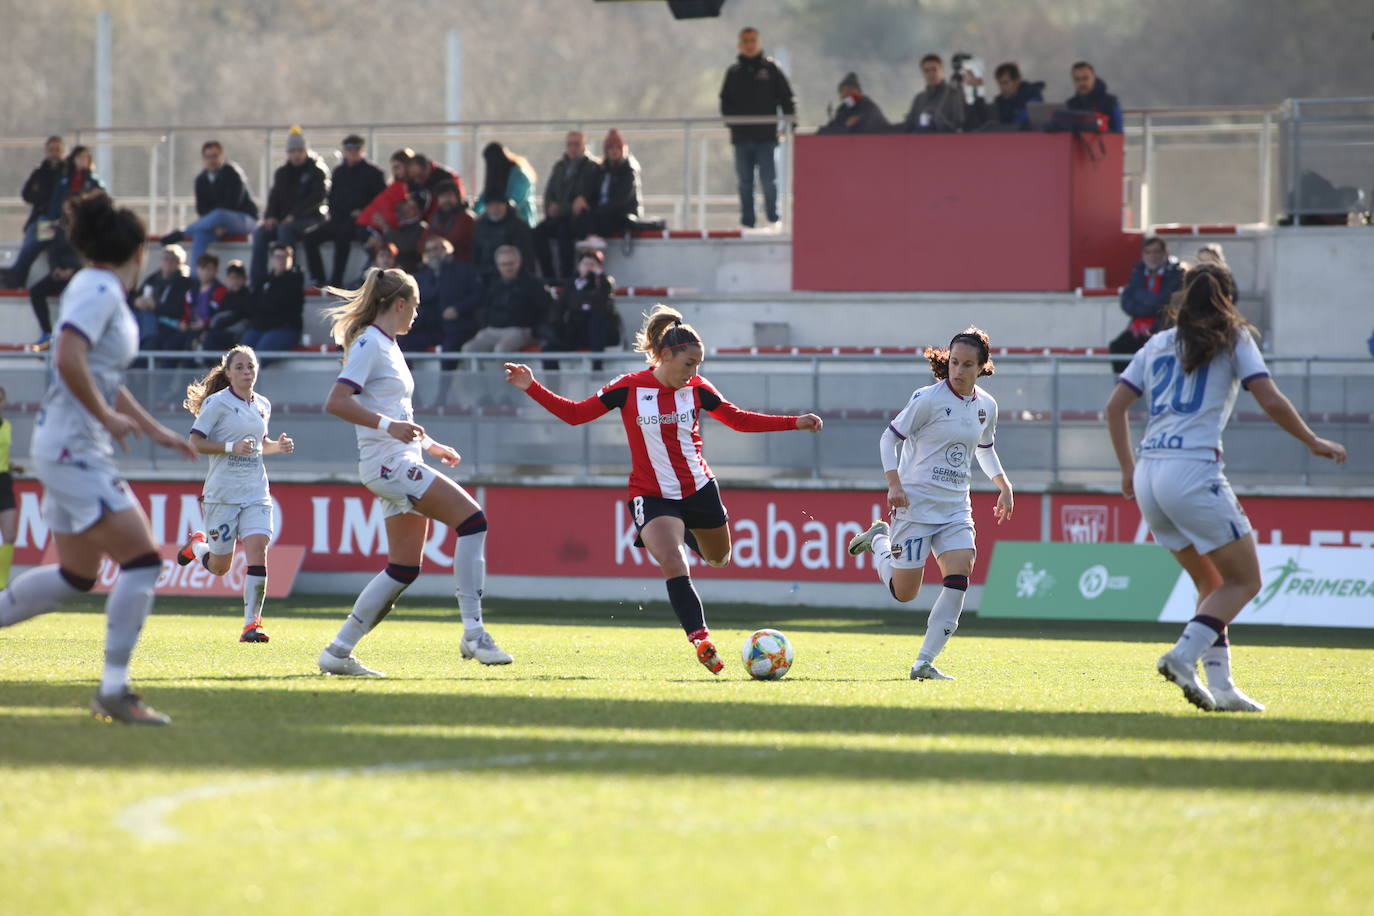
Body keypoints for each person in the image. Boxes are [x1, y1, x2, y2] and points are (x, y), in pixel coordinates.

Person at [504, 304, 823, 674]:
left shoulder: (699, 389)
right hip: (651, 494)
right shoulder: (627, 387)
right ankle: (701, 640)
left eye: (699, 364)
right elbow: (576, 415)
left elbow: (737, 419)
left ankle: (683, 531)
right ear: (666, 355)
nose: (694, 372)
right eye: (689, 363)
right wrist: (532, 387)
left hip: (699, 489)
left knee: (719, 558)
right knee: (673, 561)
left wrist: (793, 422)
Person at [1105, 263, 1347, 712]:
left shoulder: (1157, 342)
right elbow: (1269, 398)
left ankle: (1221, 687)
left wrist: (1126, 469)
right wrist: (1312, 440)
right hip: (1192, 472)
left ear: (1183, 297)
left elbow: (1114, 407)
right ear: (1229, 300)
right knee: (1246, 579)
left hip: (1149, 476)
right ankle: (1182, 655)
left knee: (1212, 583)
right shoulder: (1233, 338)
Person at [0, 190, 198, 725]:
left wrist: (155, 430)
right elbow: (67, 354)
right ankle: (114, 689)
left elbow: (101, 377)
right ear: (136, 253)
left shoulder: (98, 288)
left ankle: (113, 688)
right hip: (74, 448)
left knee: (75, 575)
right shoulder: (100, 287)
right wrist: (107, 420)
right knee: (143, 561)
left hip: (68, 446)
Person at [316, 268, 513, 676]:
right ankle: (474, 634)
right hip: (390, 464)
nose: (417, 316)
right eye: (416, 306)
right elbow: (336, 402)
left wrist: (430, 445)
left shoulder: (385, 344)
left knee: (404, 567)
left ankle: (338, 651)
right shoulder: (372, 342)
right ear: (400, 304)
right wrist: (392, 431)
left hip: (399, 459)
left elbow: (396, 413)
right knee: (473, 522)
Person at [846, 328, 1014, 681]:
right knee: (905, 593)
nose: (958, 370)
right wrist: (894, 484)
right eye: (954, 362)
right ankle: (879, 539)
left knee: (961, 572)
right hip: (915, 504)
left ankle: (924, 662)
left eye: (968, 364)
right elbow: (887, 439)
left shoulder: (987, 406)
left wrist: (1003, 484)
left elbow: (984, 449)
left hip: (955, 507)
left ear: (982, 366)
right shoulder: (927, 399)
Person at [175, 345, 295, 642]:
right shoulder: (217, 404)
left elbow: (259, 443)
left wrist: (277, 447)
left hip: (255, 491)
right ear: (228, 373)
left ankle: (251, 624)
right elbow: (194, 443)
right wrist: (230, 447)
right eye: (239, 367)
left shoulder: (263, 404)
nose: (246, 372)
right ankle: (197, 546)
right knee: (220, 567)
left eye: (250, 367)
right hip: (222, 495)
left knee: (258, 550)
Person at [719, 27, 795, 228]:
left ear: (759, 42)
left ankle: (773, 217)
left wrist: (789, 124)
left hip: (766, 137)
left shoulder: (771, 70)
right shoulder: (734, 72)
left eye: (752, 40)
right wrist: (732, 123)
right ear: (739, 44)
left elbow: (787, 98)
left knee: (769, 180)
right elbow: (725, 101)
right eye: (745, 40)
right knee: (745, 182)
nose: (749, 44)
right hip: (742, 137)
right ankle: (748, 221)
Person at [303, 134, 388, 289]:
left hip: (360, 222)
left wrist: (362, 212)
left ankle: (336, 281)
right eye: (348, 149)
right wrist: (336, 215)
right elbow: (332, 199)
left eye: (355, 148)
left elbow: (380, 201)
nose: (351, 152)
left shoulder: (374, 173)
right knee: (310, 238)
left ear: (362, 151)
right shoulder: (339, 172)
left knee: (343, 237)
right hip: (338, 219)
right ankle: (318, 278)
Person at [249, 127, 330, 286]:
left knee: (284, 230)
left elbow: (317, 198)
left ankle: (287, 276)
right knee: (261, 233)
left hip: (311, 219)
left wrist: (294, 215)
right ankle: (257, 281)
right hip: (285, 219)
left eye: (300, 150)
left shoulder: (317, 171)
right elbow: (274, 197)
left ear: (306, 150)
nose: (296, 154)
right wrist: (270, 216)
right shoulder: (282, 173)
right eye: (293, 151)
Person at [159, 141, 259, 265]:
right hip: (216, 226)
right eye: (208, 157)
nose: (212, 160)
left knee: (220, 214)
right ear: (203, 159)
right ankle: (196, 279)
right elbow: (202, 210)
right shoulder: (201, 180)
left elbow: (232, 204)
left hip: (243, 220)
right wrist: (214, 225)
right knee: (200, 235)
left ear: (222, 156)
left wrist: (222, 224)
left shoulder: (232, 173)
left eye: (215, 156)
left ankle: (183, 232)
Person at [1111, 237, 1184, 373]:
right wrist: (1149, 305)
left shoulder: (1176, 274)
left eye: (1156, 252)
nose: (1152, 256)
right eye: (1148, 252)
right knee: (1118, 346)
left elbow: (1164, 301)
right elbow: (1126, 302)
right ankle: (1124, 388)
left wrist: (1141, 297)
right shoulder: (1137, 273)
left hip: (1162, 327)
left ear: (1165, 253)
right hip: (1137, 328)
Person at [533, 131, 600, 280]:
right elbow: (549, 194)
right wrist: (551, 208)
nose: (573, 148)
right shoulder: (560, 167)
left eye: (576, 144)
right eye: (570, 144)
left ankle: (566, 278)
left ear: (584, 145)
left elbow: (583, 199)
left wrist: (561, 208)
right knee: (537, 233)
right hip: (558, 217)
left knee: (564, 234)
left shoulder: (591, 168)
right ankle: (548, 275)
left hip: (576, 220)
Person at [4, 135, 65, 289]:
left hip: (56, 221)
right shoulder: (40, 172)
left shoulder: (65, 173)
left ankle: (17, 275)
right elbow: (27, 194)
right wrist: (42, 197)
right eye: (51, 150)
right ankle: (17, 276)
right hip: (40, 218)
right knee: (31, 240)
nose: (54, 153)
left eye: (57, 149)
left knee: (36, 242)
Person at [462, 246, 548, 353]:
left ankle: (502, 371)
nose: (508, 268)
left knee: (501, 349)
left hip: (520, 329)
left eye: (511, 263)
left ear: (519, 262)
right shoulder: (493, 285)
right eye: (504, 264)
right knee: (468, 349)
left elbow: (546, 310)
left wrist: (536, 332)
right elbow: (484, 307)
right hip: (493, 329)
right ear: (498, 266)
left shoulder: (533, 284)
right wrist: (485, 324)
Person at [404, 236, 482, 353]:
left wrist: (458, 309)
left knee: (449, 348)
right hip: (430, 327)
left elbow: (478, 295)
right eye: (429, 250)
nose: (432, 254)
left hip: (458, 326)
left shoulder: (464, 270)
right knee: (404, 340)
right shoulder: (423, 275)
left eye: (436, 249)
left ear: (447, 250)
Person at [547, 248, 619, 355]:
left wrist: (597, 278)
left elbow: (602, 303)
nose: (589, 267)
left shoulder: (604, 283)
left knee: (596, 319)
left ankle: (597, 366)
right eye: (585, 264)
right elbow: (560, 306)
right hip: (575, 331)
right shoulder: (571, 284)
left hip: (598, 333)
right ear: (579, 266)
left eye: (592, 264)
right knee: (549, 349)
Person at [574, 129, 643, 241]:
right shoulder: (600, 169)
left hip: (620, 214)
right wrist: (583, 198)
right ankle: (590, 250)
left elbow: (620, 200)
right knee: (579, 219)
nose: (614, 151)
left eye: (617, 148)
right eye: (611, 148)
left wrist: (598, 210)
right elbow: (591, 189)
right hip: (601, 213)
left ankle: (592, 252)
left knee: (598, 220)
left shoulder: (628, 171)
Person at [242, 243, 305, 353]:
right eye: (278, 257)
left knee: (257, 358)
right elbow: (252, 303)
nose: (282, 260)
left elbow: (281, 305)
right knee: (239, 355)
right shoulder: (264, 281)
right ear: (271, 259)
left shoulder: (294, 281)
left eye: (286, 257)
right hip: (261, 326)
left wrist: (264, 306)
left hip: (285, 328)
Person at [131, 244, 194, 351]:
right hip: (146, 322)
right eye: (166, 259)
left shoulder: (185, 283)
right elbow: (135, 297)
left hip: (169, 325)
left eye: (173, 259)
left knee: (151, 336)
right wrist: (136, 302)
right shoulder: (152, 279)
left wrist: (156, 307)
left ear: (180, 263)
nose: (168, 262)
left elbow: (180, 310)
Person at [26, 232, 81, 348]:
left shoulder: (86, 227)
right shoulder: (59, 228)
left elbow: (87, 256)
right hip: (59, 274)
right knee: (36, 291)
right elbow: (53, 252)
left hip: (79, 275)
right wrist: (55, 269)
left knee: (72, 295)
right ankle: (47, 333)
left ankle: (72, 336)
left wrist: (73, 270)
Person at [471, 197, 534, 286]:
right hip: (486, 279)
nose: (495, 209)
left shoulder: (519, 227)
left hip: (518, 280)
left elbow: (528, 257)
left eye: (498, 205)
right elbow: (475, 256)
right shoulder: (479, 227)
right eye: (491, 205)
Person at [474, 143, 538, 227]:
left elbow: (515, 203)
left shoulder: (519, 175)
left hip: (522, 224)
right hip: (502, 225)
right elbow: (485, 197)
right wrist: (473, 213)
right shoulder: (498, 176)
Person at [356, 148, 416, 237]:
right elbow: (387, 209)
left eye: (398, 167)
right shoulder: (397, 187)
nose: (396, 171)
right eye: (394, 168)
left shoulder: (408, 186)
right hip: (369, 225)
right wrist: (391, 227)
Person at [901, 54, 965, 133]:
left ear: (942, 71)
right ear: (923, 74)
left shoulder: (954, 95)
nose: (931, 74)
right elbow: (908, 128)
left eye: (934, 69)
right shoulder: (919, 99)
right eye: (926, 71)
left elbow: (959, 126)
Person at [203, 260, 254, 352]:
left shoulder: (248, 296)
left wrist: (217, 326)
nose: (234, 281)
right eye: (232, 277)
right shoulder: (227, 296)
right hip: (222, 330)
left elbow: (239, 315)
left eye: (238, 277)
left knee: (211, 339)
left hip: (237, 333)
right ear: (227, 278)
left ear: (244, 279)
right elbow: (218, 315)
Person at [818, 72, 891, 135]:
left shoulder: (867, 107)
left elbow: (856, 128)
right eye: (843, 91)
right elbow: (835, 126)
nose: (846, 94)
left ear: (858, 92)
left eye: (850, 90)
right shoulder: (843, 108)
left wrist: (846, 126)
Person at [0, 386, 22, 587]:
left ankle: (1, 584)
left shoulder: (7, 426)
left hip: (4, 482)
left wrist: (13, 465)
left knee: (9, 535)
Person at [422, 179, 475, 263]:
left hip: (460, 264)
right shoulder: (434, 218)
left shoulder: (466, 218)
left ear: (457, 198)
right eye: (442, 196)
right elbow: (423, 242)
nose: (446, 200)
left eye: (449, 196)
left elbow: (453, 241)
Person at [405, 153, 465, 222]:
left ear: (428, 167)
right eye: (413, 177)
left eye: (420, 176)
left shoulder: (445, 177)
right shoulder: (412, 181)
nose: (417, 181)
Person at [1066, 61, 1123, 134]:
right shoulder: (1071, 104)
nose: (1081, 83)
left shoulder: (1110, 102)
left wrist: (1097, 128)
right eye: (1077, 79)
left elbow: (1118, 133)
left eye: (1085, 78)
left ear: (1094, 78)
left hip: (1103, 144)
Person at [185, 253, 227, 349]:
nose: (205, 272)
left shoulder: (221, 290)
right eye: (202, 268)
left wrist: (205, 324)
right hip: (191, 327)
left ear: (216, 270)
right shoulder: (192, 290)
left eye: (208, 268)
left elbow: (219, 314)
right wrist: (185, 322)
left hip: (210, 329)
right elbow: (187, 308)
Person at [992, 62, 1044, 129]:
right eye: (1000, 83)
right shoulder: (999, 101)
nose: (1002, 87)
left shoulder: (1032, 94)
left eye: (1005, 83)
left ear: (1017, 80)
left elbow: (1028, 116)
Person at [382, 198, 427, 274]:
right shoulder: (399, 227)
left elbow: (405, 245)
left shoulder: (421, 227)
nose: (404, 211)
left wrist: (386, 228)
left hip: (411, 268)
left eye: (410, 208)